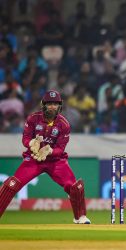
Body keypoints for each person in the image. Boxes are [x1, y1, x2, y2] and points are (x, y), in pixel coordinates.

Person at [0, 90, 91, 224]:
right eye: (49, 104)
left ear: (59, 106)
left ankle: (80, 217)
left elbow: (60, 149)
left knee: (75, 187)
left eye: (55, 104)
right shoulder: (32, 118)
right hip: (33, 160)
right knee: (11, 184)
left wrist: (48, 151)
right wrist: (31, 144)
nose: (52, 106)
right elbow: (25, 138)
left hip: (55, 162)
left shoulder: (64, 124)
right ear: (43, 105)